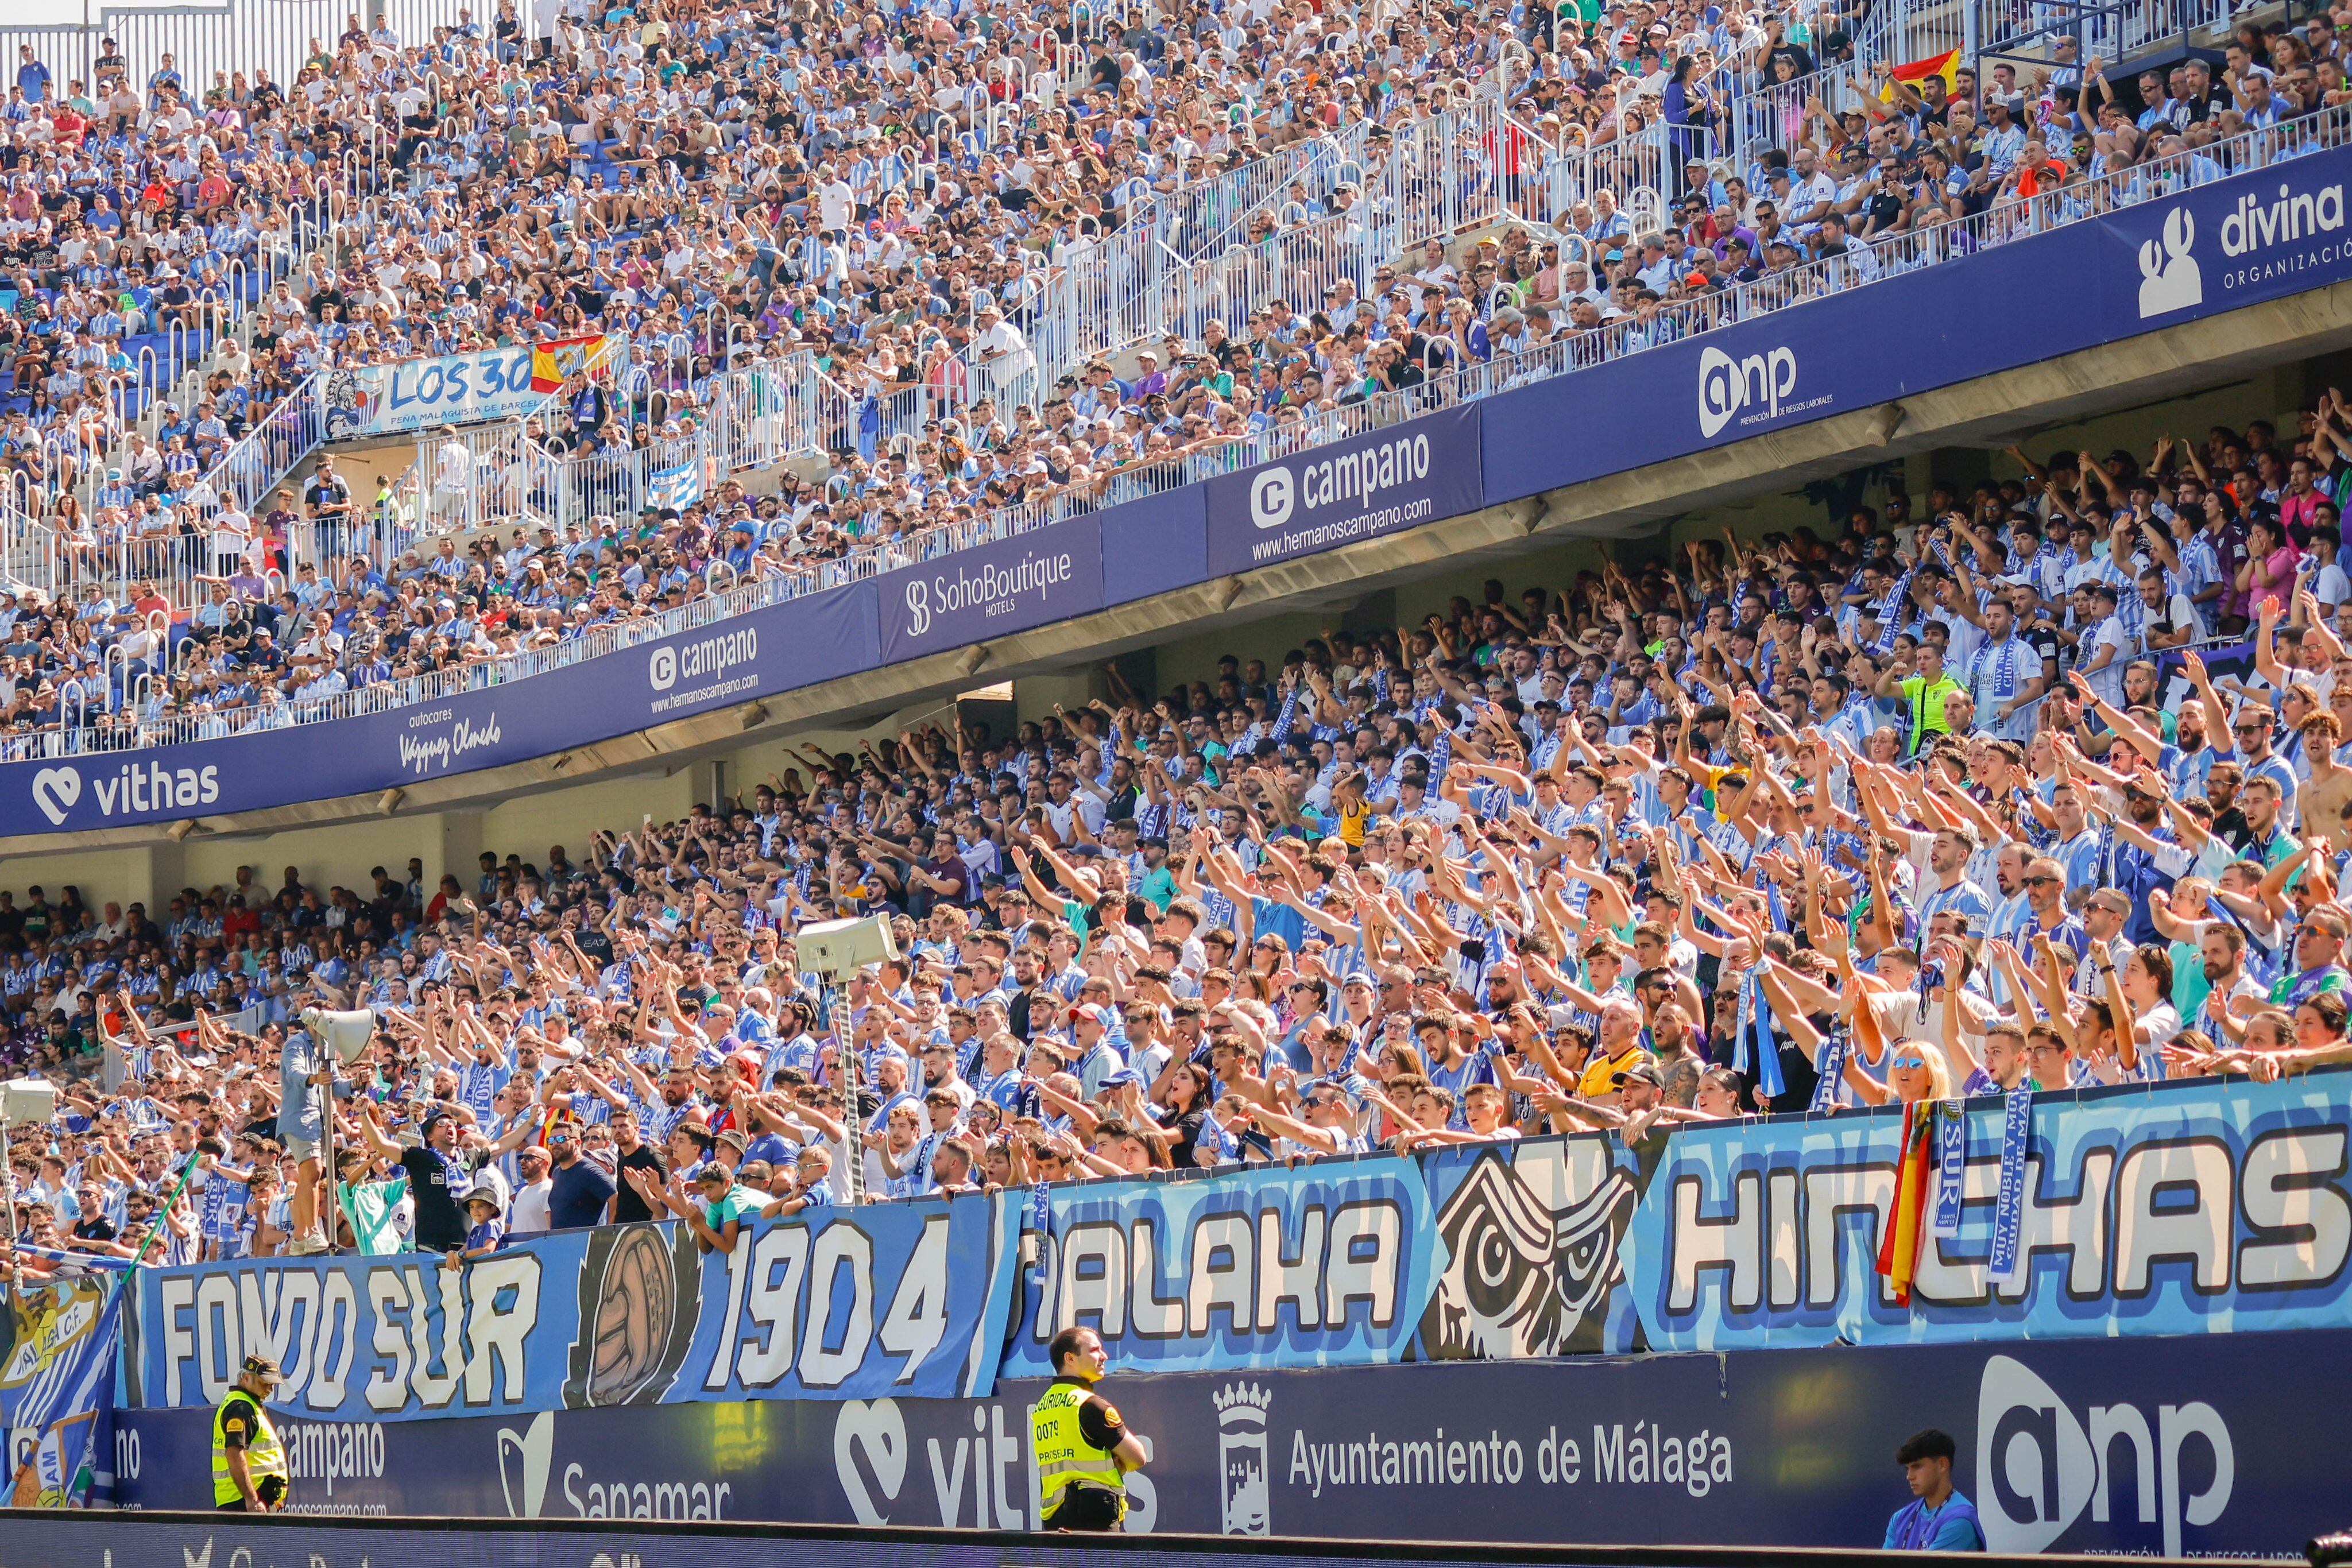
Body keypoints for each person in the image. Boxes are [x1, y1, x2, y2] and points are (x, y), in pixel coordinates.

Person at [1032, 1325, 1148, 1531]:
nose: (1104, 1356)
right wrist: (1117, 1465)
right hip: (1094, 1518)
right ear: (1070, 1358)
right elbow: (1138, 1457)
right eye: (1094, 1350)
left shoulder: (1043, 1406)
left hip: (1053, 1520)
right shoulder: (1090, 1405)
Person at [1884, 1428, 1984, 1551]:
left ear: (1942, 1464)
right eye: (1907, 1469)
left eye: (1917, 1466)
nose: (1909, 1476)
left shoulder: (1959, 1521)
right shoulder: (1900, 1518)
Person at [212, 1354, 290, 1512]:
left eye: (272, 1385)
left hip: (247, 1500)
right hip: (242, 1502)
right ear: (246, 1378)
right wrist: (252, 1499)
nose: (269, 1389)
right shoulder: (241, 1408)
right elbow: (234, 1454)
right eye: (264, 1383)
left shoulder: (248, 1405)